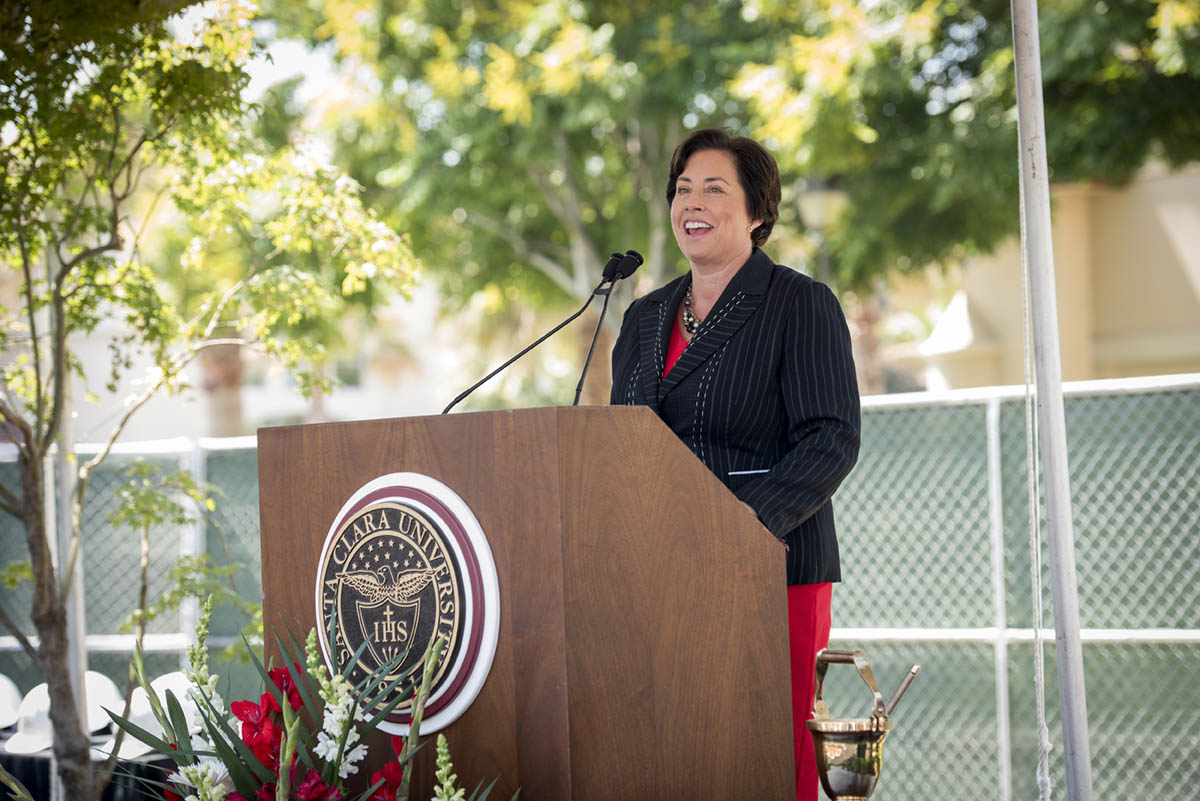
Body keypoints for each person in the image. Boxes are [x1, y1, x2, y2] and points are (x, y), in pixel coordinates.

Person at [609, 128, 860, 801]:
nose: (692, 200)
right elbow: (618, 445)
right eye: (682, 188)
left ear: (756, 210)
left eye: (714, 187)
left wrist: (744, 527)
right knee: (678, 750)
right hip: (660, 573)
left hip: (770, 568)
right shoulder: (641, 316)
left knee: (768, 757)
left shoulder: (799, 303)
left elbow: (831, 437)